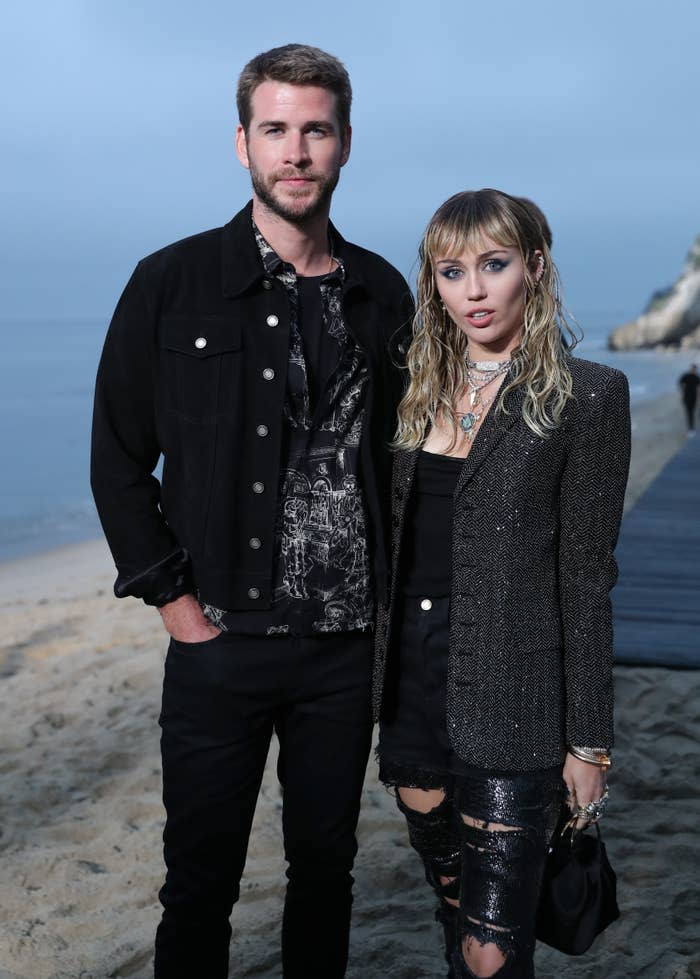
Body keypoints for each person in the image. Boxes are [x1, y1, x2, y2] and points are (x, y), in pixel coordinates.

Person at [91, 44, 413, 979]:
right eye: (276, 129)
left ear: (345, 143)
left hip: (346, 650)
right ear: (242, 144)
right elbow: (117, 457)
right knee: (199, 886)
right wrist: (176, 609)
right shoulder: (172, 282)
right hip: (219, 639)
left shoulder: (384, 292)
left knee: (326, 873)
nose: (296, 151)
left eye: (316, 129)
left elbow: (413, 466)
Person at [372, 189, 631, 978]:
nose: (474, 290)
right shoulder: (410, 391)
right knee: (454, 912)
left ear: (536, 267)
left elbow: (588, 578)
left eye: (494, 265)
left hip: (517, 702)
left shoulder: (589, 397)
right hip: (413, 690)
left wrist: (589, 740)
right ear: (433, 283)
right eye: (452, 271)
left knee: (493, 947)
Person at [679, 364, 699, 434]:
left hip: (694, 397)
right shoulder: (686, 376)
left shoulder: (696, 377)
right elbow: (680, 382)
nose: (694, 370)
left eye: (695, 369)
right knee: (689, 413)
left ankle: (692, 427)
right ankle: (691, 428)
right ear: (691, 369)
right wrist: (682, 391)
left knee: (692, 412)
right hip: (686, 397)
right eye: (693, 369)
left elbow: (698, 387)